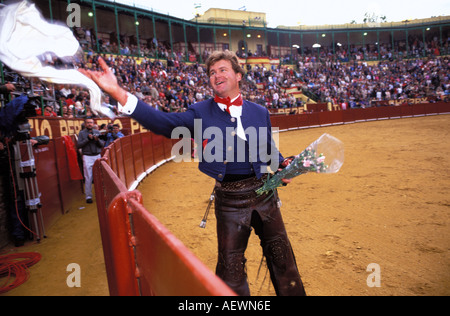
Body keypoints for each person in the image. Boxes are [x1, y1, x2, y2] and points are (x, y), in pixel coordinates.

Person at [80, 50, 306, 296]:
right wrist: (118, 93)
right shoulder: (200, 112)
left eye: (222, 70)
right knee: (231, 271)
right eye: (211, 72)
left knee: (283, 260)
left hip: (265, 195)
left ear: (238, 75)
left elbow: (269, 150)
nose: (216, 76)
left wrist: (285, 165)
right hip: (230, 202)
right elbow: (163, 123)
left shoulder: (259, 112)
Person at [77, 118, 104, 204]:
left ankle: (100, 195)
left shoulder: (97, 132)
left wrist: (97, 140)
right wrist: (88, 139)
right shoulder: (82, 133)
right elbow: (79, 145)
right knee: (88, 177)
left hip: (97, 155)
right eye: (88, 123)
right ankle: (88, 196)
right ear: (85, 124)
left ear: (93, 124)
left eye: (91, 123)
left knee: (100, 176)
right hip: (87, 156)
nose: (89, 124)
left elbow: (102, 144)